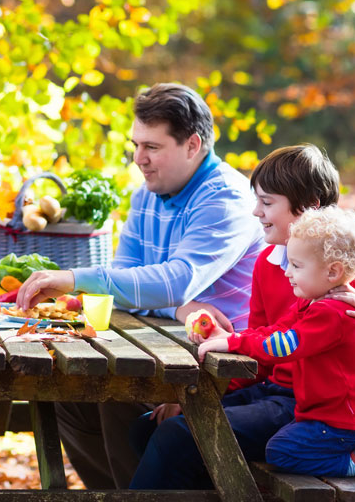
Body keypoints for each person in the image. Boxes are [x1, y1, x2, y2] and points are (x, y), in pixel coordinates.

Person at [129, 144, 355, 489]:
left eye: (267, 202)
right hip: (270, 393)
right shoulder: (268, 263)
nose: (255, 212)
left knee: (178, 436)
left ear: (309, 207)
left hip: (313, 411)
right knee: (149, 426)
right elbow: (259, 354)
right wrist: (199, 394)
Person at [16, 83, 266, 488]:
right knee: (65, 393)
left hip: (230, 370)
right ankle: (119, 494)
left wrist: (76, 280)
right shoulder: (147, 196)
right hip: (170, 352)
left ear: (192, 145)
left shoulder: (226, 200)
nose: (139, 159)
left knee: (117, 394)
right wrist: (177, 305)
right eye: (135, 145)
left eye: (152, 146)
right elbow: (128, 284)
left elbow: (177, 280)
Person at [195, 205, 355, 477]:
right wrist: (232, 337)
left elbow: (284, 345)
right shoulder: (312, 302)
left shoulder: (332, 312)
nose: (287, 273)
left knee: (280, 451)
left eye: (296, 266)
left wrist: (234, 344)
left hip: (340, 421)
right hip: (323, 415)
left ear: (332, 272)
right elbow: (275, 330)